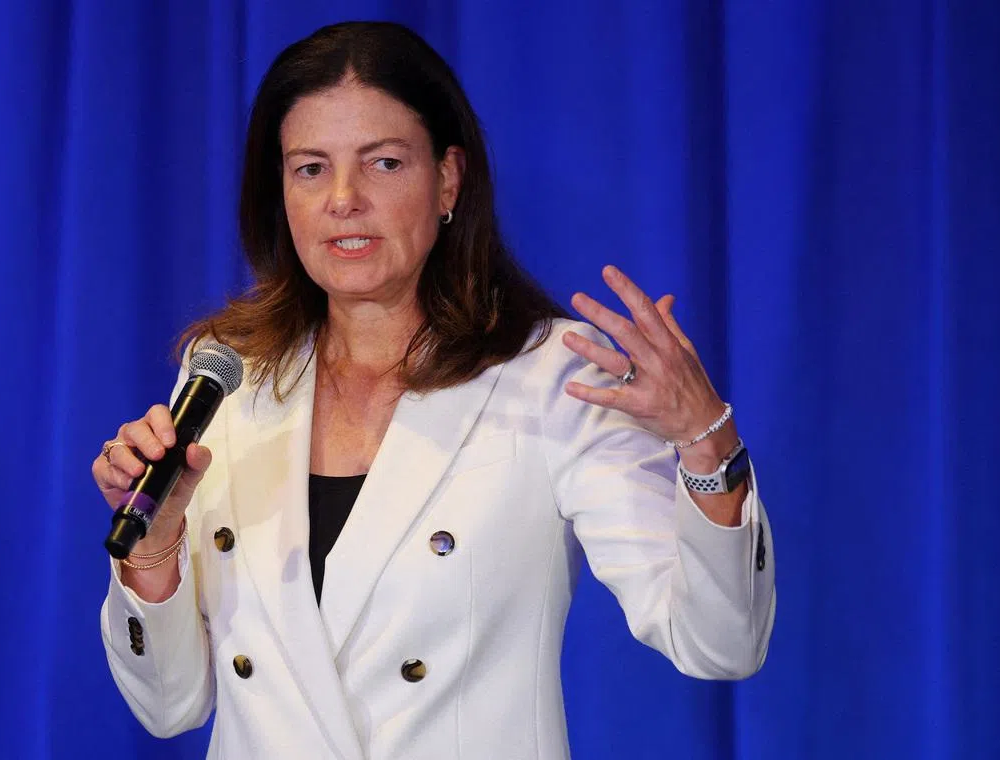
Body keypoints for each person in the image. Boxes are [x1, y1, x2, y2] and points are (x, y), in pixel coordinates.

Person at [93, 20, 774, 760]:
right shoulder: (228, 372)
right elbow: (169, 706)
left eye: (383, 163)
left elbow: (720, 643)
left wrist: (708, 439)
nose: (343, 199)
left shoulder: (550, 379)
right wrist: (154, 553)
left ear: (447, 179)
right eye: (310, 168)